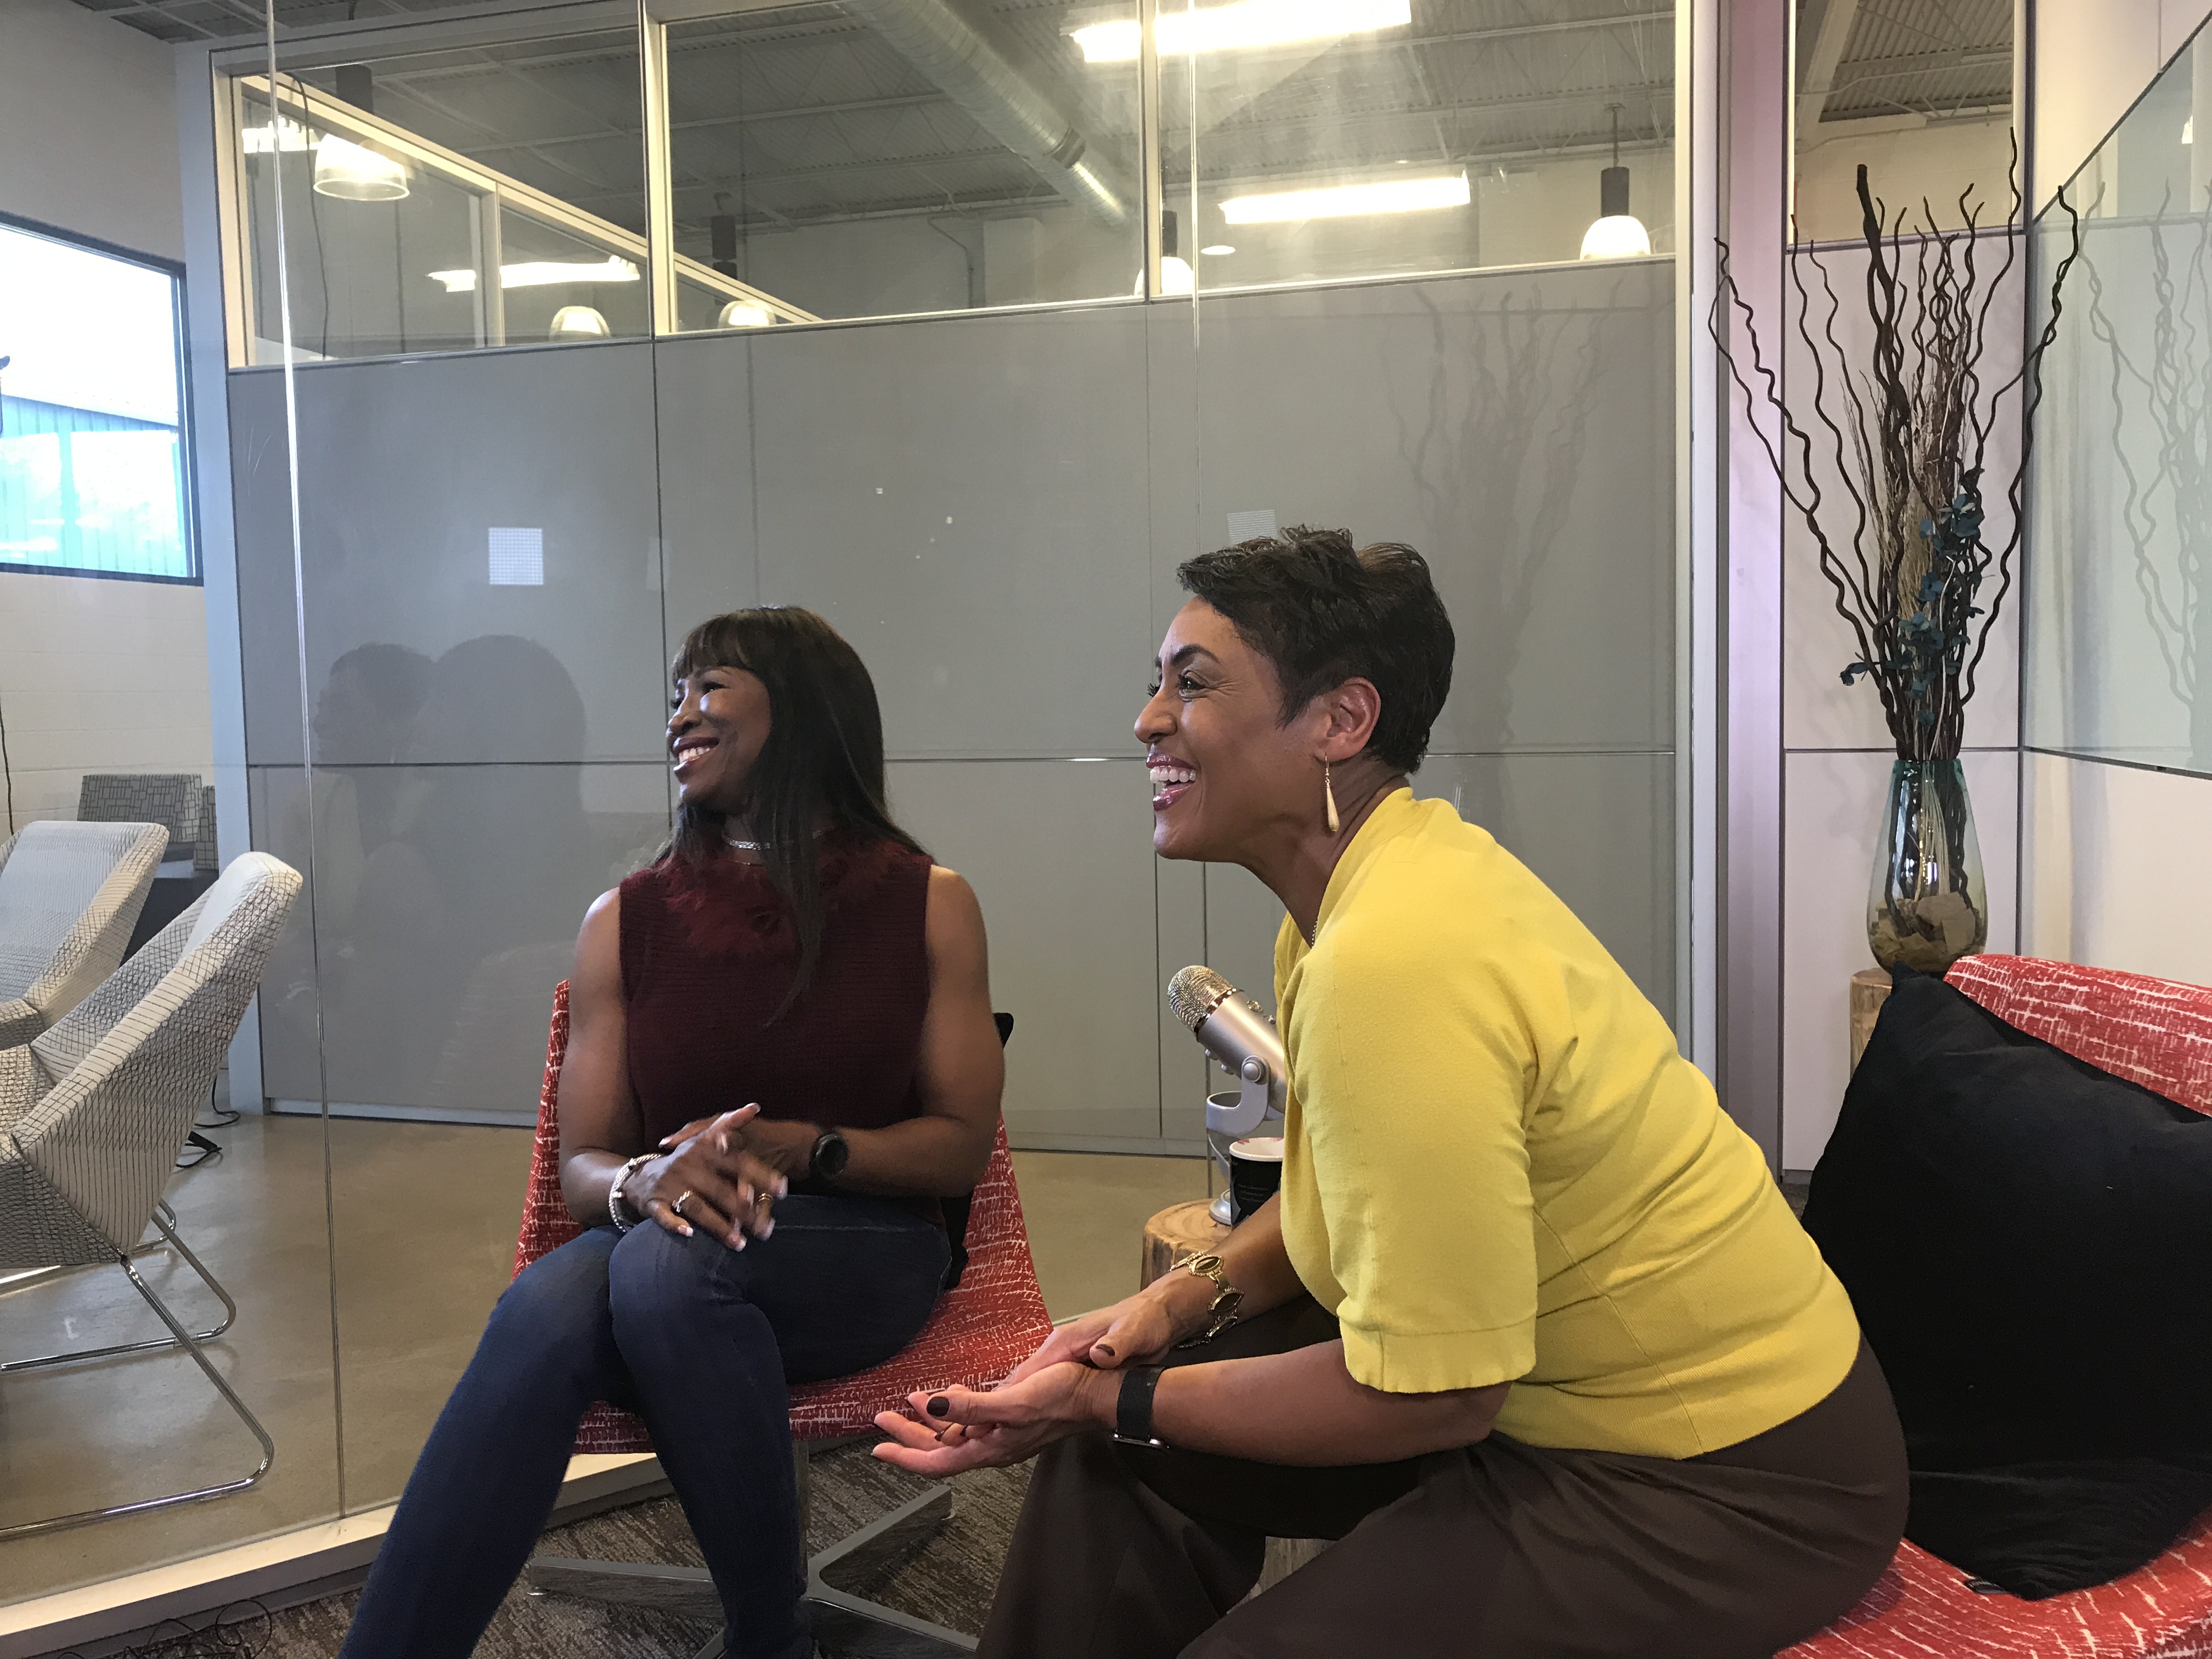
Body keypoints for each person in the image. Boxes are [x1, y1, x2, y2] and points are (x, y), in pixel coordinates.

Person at [876, 528, 1907, 1658]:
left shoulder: (1394, 956)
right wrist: (1176, 1303)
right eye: (1157, 683)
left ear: (1341, 720)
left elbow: (1434, 1398)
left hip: (1725, 1479)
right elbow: (1347, 1207)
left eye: (1194, 684)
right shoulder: (1349, 907)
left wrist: (1104, 1396)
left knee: (1131, 1442)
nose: (1148, 720)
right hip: (1532, 1402)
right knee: (1122, 1449)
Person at [341, 607, 1005, 1659]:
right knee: (553, 1304)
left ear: (804, 709)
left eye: (711, 687)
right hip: (663, 1247)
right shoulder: (624, 917)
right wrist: (645, 1182)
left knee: (660, 1270)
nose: (679, 717)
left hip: (869, 1249)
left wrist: (802, 1146)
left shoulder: (929, 902)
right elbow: (581, 1168)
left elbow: (960, 1145)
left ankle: (764, 1636)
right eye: (674, 697)